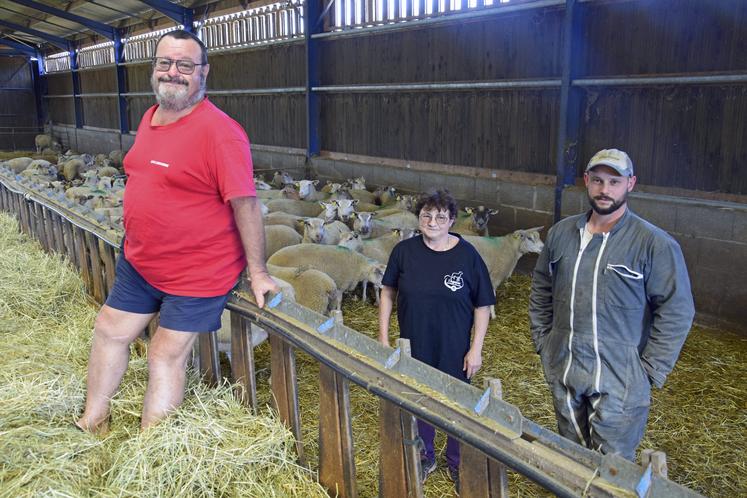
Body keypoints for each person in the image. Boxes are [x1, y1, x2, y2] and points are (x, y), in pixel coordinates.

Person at [75, 30, 278, 432]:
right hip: (142, 260)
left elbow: (246, 204)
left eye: (186, 65)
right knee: (109, 330)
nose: (174, 73)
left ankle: (151, 454)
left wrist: (258, 271)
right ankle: (92, 420)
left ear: (203, 72)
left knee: (164, 354)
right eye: (165, 63)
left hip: (197, 271)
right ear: (154, 70)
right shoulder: (151, 117)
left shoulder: (222, 132)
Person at [529, 148, 694, 460]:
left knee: (612, 466)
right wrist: (544, 341)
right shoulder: (562, 233)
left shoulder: (654, 244)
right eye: (598, 180)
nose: (605, 190)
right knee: (572, 455)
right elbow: (541, 287)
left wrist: (649, 370)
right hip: (565, 368)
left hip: (620, 380)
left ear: (630, 184)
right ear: (586, 181)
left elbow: (677, 310)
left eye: (614, 182)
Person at [378, 189, 495, 488]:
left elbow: (483, 305)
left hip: (454, 347)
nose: (433, 221)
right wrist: (383, 336)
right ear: (418, 218)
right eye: (426, 215)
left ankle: (458, 463)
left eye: (441, 217)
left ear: (452, 220)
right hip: (414, 342)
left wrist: (476, 349)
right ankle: (425, 454)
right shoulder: (404, 252)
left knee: (457, 405)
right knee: (420, 399)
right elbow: (388, 291)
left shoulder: (467, 255)